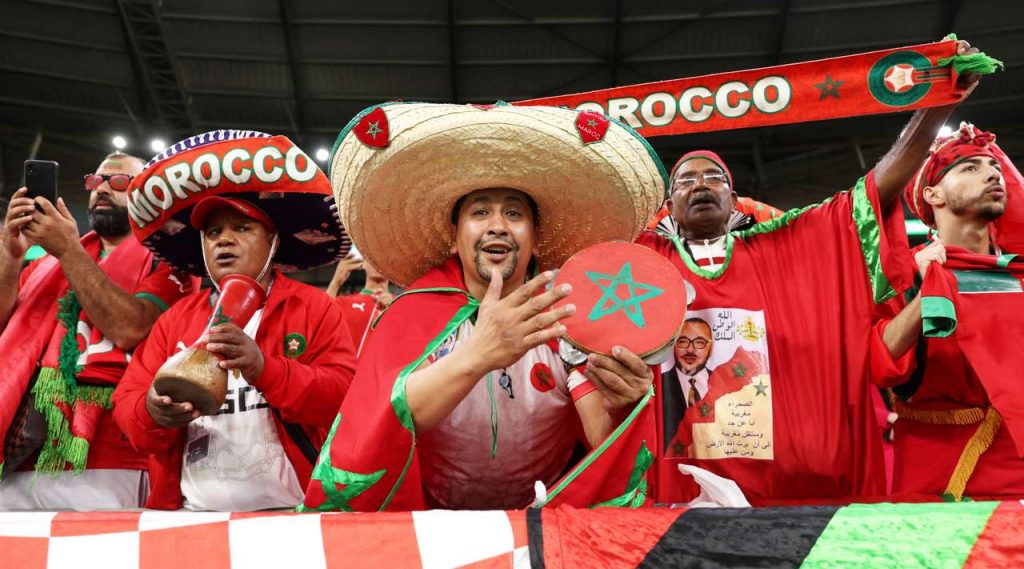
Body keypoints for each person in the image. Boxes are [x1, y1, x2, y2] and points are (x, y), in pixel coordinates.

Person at [638, 39, 989, 505]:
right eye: (686, 180)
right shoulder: (640, 260)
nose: (700, 184)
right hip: (678, 486)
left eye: (714, 177)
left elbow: (875, 190)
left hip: (791, 491)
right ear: (668, 203)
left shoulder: (785, 246)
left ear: (734, 199)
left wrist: (935, 104)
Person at [302, 102, 665, 512]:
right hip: (430, 524)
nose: (497, 226)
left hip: (542, 523)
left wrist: (624, 406)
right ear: (454, 236)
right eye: (479, 212)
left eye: (514, 213)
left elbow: (601, 438)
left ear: (535, 238)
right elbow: (386, 419)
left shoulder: (566, 313)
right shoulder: (411, 312)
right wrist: (479, 354)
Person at [112, 131, 357, 510]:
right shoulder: (175, 319)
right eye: (213, 232)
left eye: (242, 228)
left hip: (295, 517)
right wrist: (152, 411)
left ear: (273, 241)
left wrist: (265, 369)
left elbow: (344, 399)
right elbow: (127, 406)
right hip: (192, 518)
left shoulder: (314, 307)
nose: (223, 240)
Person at [0, 152, 196, 510]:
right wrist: (10, 257)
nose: (103, 189)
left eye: (119, 182)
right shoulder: (45, 265)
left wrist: (68, 249)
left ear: (149, 195)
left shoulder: (170, 263)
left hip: (113, 460)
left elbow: (130, 327)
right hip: (22, 452)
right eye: (96, 181)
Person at [869, 123, 1024, 501]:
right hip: (939, 479)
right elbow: (879, 363)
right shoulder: (901, 276)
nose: (992, 174)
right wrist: (927, 293)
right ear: (932, 193)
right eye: (970, 168)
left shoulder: (1018, 274)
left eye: (994, 167)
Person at [660, 318, 715, 450]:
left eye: (699, 342)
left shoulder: (725, 384)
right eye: (683, 342)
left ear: (711, 348)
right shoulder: (658, 385)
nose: (690, 349)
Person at [335, 260, 393, 357]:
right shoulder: (343, 302)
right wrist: (335, 283)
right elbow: (320, 320)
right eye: (372, 259)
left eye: (383, 259)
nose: (377, 263)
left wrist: (395, 308)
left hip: (387, 365)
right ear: (363, 263)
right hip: (351, 365)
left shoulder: (401, 303)